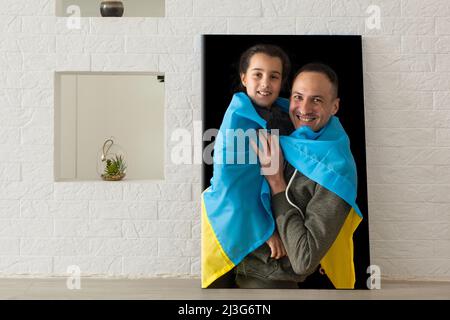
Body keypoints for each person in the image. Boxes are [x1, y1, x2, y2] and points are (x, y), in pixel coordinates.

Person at [235, 63, 363, 289]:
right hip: (232, 252)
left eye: (317, 100)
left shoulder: (336, 172)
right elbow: (232, 185)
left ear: (334, 107)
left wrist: (277, 183)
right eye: (298, 97)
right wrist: (258, 226)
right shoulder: (278, 126)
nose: (304, 108)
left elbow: (304, 260)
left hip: (267, 277)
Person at [202, 44, 295, 288]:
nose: (266, 83)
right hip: (227, 218)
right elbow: (232, 187)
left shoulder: (281, 114)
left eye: (274, 76)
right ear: (244, 78)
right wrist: (268, 232)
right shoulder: (237, 121)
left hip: (254, 214)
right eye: (257, 74)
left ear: (282, 81)